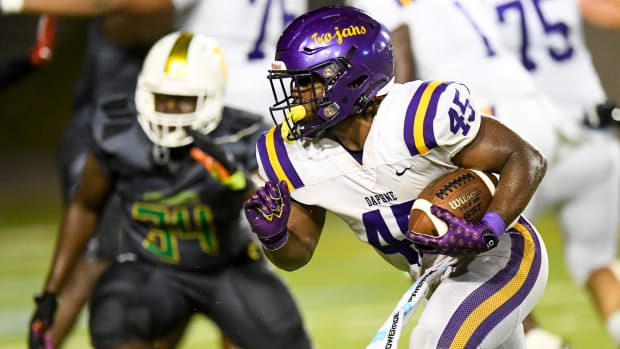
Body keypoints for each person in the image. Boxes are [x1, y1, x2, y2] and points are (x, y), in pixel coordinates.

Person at [2, 1, 308, 347]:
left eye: (183, 101)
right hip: (151, 272)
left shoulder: (241, 138)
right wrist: (50, 293)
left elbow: (291, 237)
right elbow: (84, 207)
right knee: (113, 319)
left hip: (226, 269)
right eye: (160, 98)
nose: (169, 111)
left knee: (282, 334)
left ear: (211, 100)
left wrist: (241, 183)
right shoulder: (119, 134)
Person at [242, 5, 549, 348]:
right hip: (435, 278)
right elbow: (298, 254)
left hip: (500, 252)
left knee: (431, 341)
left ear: (351, 78)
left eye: (307, 82)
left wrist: (488, 229)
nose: (296, 96)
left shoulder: (416, 116)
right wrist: (274, 237)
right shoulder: (292, 153)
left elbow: (525, 158)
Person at [478, 0, 620, 346]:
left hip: (522, 145)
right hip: (591, 135)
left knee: (485, 265)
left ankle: (540, 341)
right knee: (597, 262)